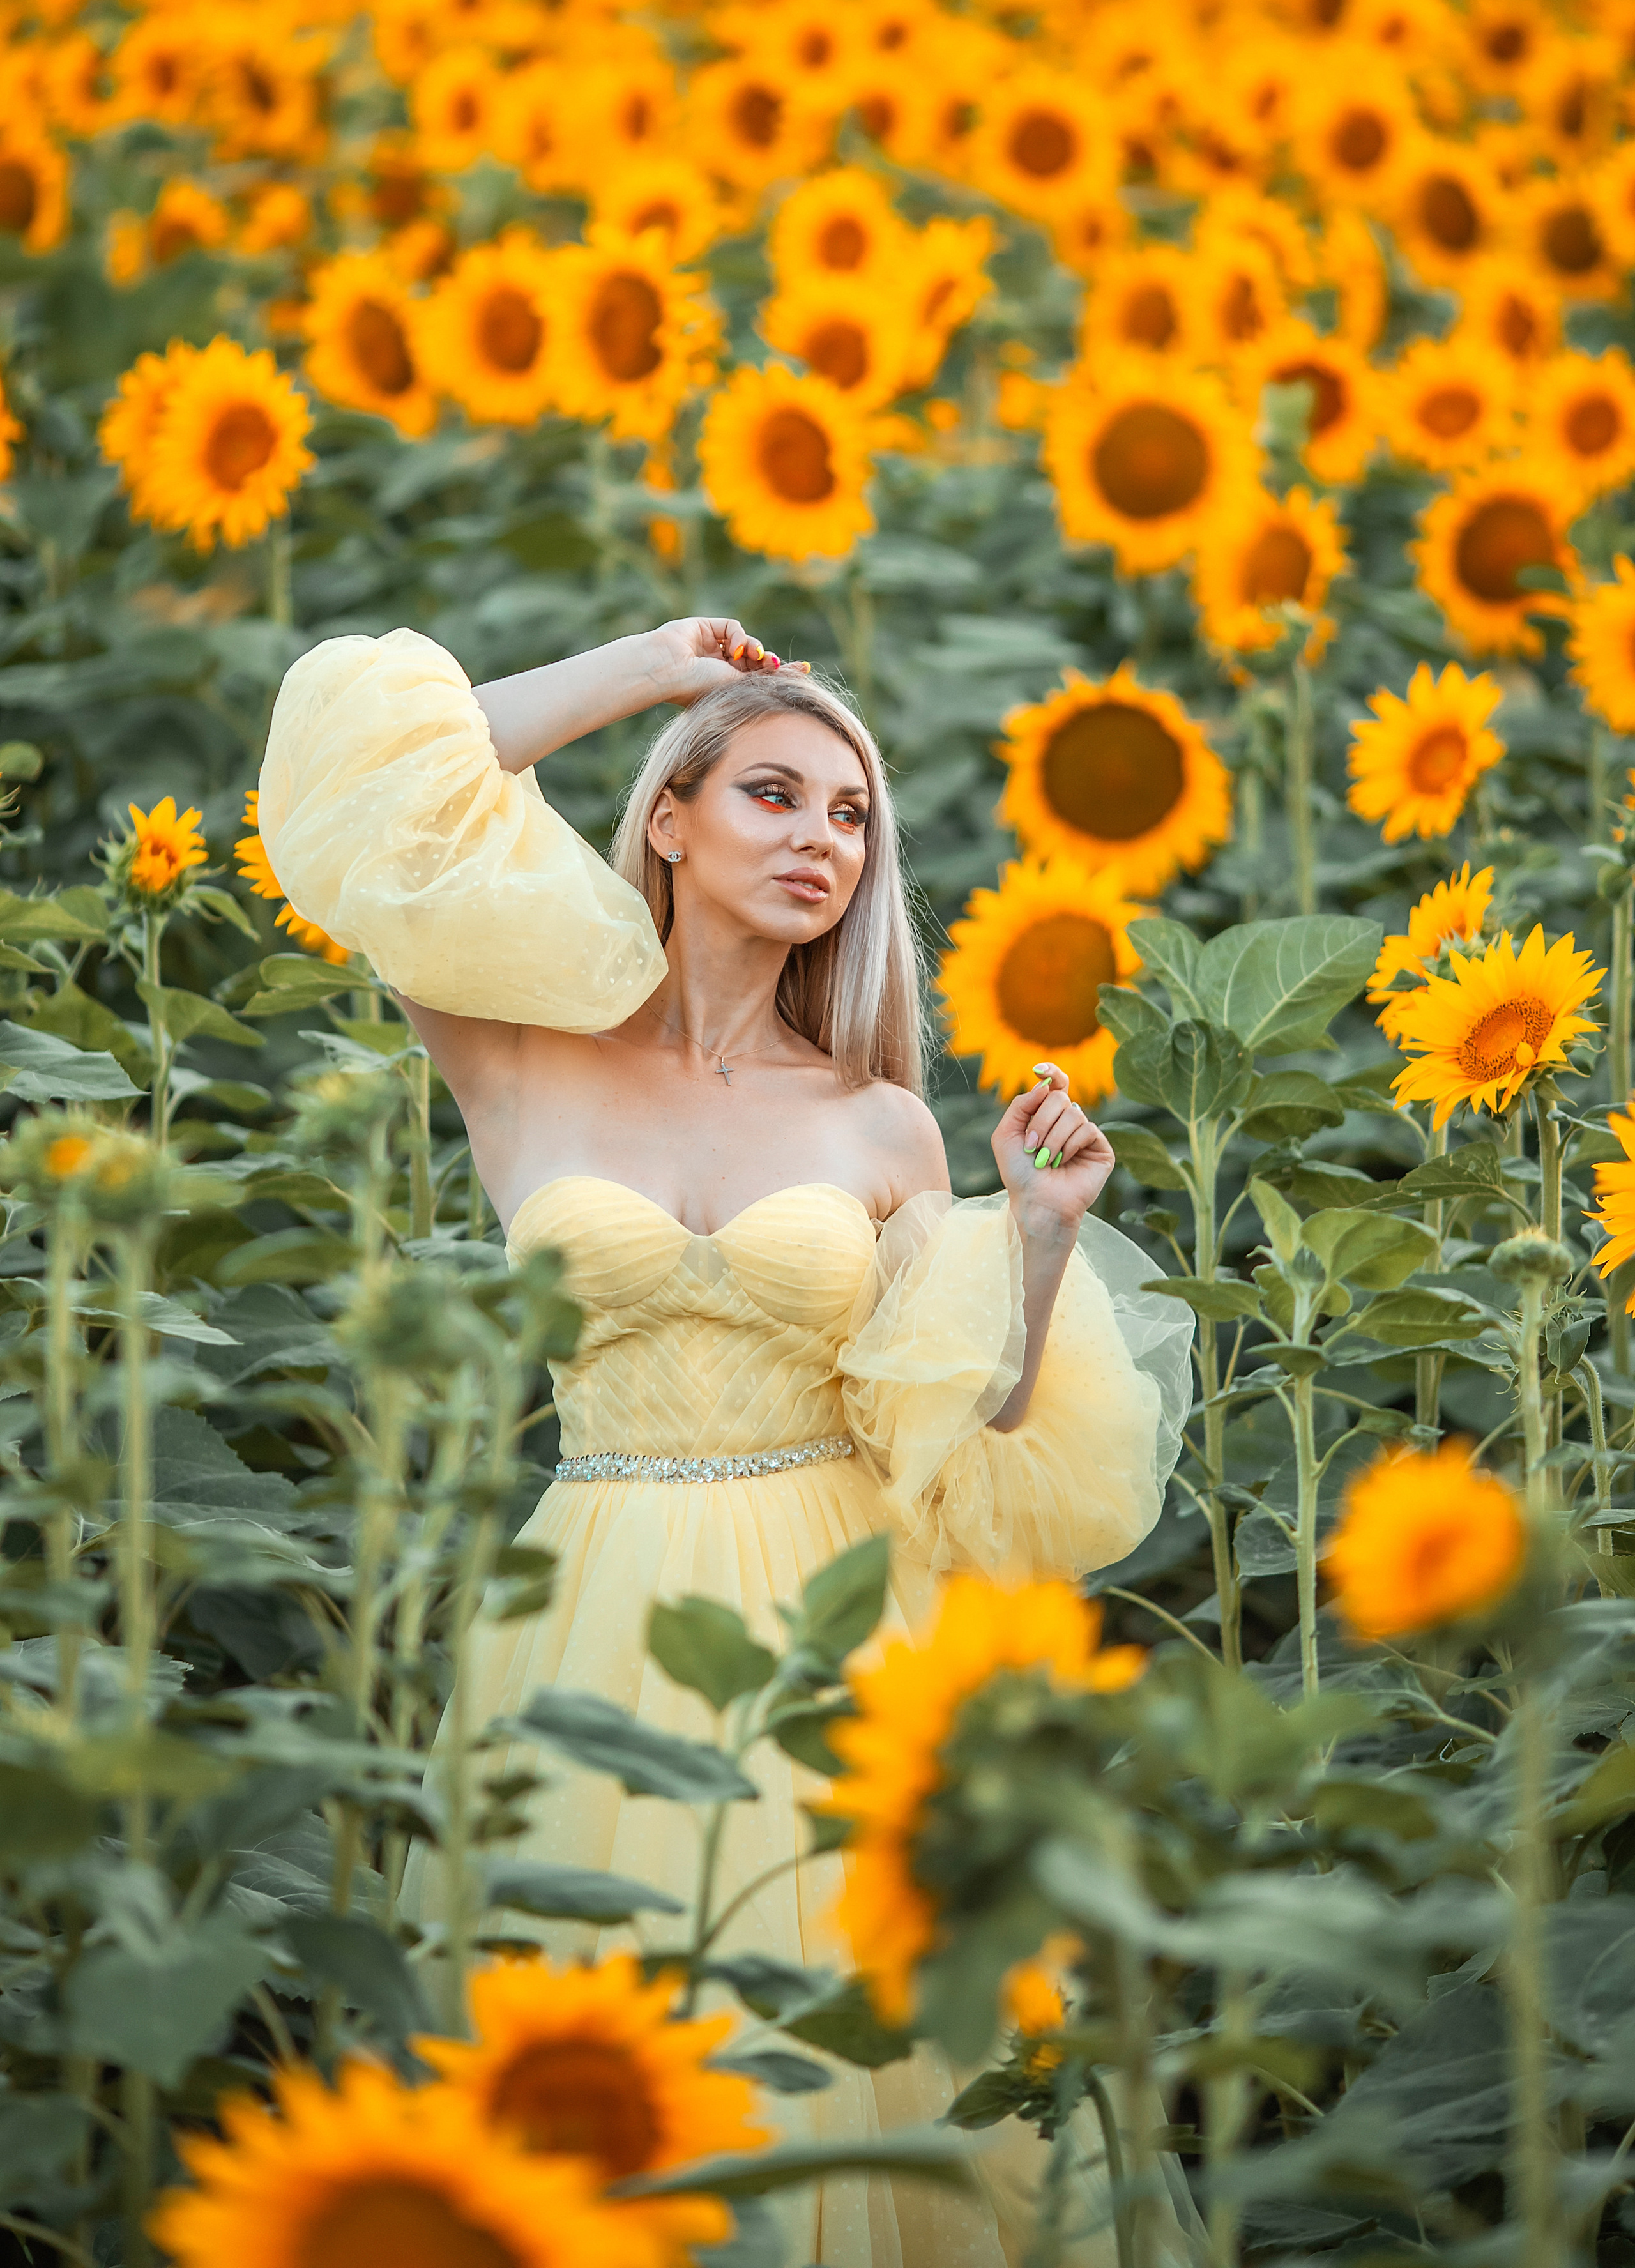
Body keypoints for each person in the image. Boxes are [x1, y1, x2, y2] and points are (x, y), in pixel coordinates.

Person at [257, 613, 1194, 2268]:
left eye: (849, 817)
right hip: (587, 1614)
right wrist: (651, 669)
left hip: (849, 1623)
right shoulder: (520, 1058)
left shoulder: (877, 1119)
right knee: (578, 2074)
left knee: (853, 2055)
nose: (820, 841)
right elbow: (368, 786)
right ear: (669, 819)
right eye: (770, 793)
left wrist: (1041, 1237)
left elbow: (980, 1454)